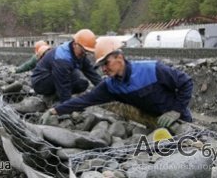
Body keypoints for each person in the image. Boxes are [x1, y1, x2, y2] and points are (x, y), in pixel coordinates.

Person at [42, 36, 193, 128]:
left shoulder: (152, 69)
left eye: (106, 64)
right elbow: (85, 100)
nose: (104, 70)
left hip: (179, 120)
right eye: (101, 66)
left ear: (119, 58)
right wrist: (55, 110)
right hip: (155, 121)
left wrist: (177, 110)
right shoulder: (111, 86)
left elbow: (185, 82)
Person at [31, 29, 102, 104]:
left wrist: (106, 89)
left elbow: (91, 73)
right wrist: (67, 107)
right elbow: (63, 84)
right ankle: (54, 100)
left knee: (82, 83)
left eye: (87, 52)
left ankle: (55, 96)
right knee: (71, 76)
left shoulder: (80, 54)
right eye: (84, 51)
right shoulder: (62, 57)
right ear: (75, 44)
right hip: (40, 83)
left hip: (54, 77)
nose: (85, 54)